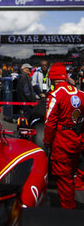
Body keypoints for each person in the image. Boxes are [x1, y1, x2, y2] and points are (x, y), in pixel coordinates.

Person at [44, 62, 84, 209]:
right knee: (71, 176)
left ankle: (68, 210)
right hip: (76, 139)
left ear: (52, 78)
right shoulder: (80, 93)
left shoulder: (55, 95)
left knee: (63, 179)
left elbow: (49, 123)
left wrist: (47, 142)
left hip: (61, 142)